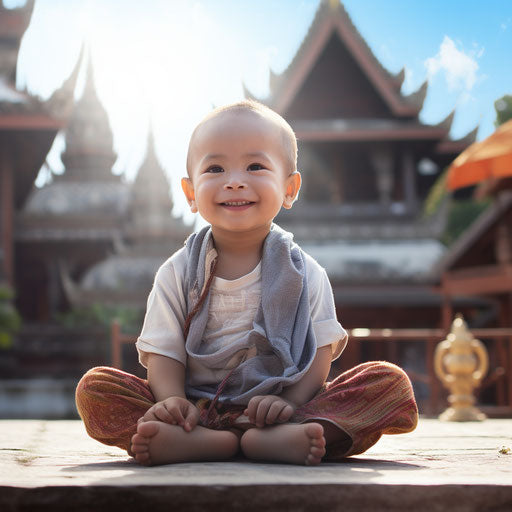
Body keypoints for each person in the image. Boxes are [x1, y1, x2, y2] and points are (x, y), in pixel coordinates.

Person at [76, 100, 418, 466]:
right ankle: (210, 441)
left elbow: (320, 351)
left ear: (290, 188)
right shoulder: (176, 272)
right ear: (191, 194)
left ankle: (274, 438)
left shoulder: (306, 272)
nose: (234, 180)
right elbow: (164, 351)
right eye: (215, 168)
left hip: (281, 411)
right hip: (195, 411)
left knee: (389, 383)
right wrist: (172, 402)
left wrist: (288, 403)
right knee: (95, 389)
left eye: (255, 166)